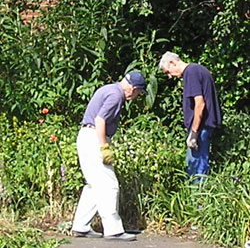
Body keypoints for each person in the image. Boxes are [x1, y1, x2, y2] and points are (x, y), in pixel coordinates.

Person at [71, 71, 147, 241]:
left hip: (85, 136)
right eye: (139, 93)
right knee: (109, 184)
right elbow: (100, 120)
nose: (137, 96)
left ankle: (80, 226)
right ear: (133, 89)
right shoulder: (116, 95)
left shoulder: (109, 89)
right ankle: (113, 230)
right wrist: (104, 146)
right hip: (94, 138)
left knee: (94, 185)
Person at [159, 51, 221, 183]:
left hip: (201, 128)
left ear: (172, 62)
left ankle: (197, 200)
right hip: (203, 127)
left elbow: (200, 104)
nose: (170, 76)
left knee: (196, 169)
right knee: (196, 164)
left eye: (168, 72)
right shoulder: (197, 69)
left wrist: (193, 134)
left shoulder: (191, 72)